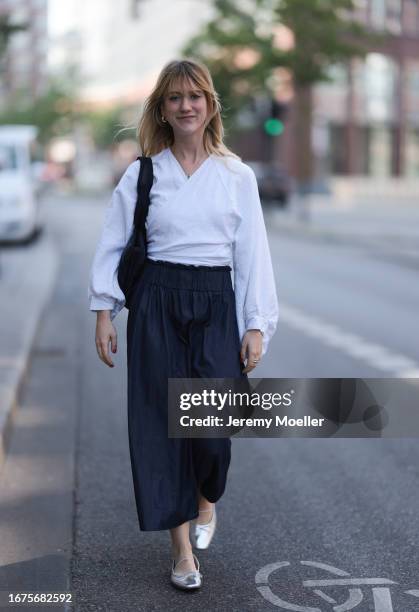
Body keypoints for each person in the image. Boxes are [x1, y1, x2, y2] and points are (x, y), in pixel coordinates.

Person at [88, 58, 279, 590]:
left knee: (213, 432)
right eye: (174, 98)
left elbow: (253, 253)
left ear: (210, 104)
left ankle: (205, 501)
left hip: (216, 302)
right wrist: (105, 309)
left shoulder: (237, 176)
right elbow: (113, 242)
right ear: (163, 110)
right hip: (156, 303)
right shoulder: (143, 173)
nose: (186, 105)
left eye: (195, 95)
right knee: (160, 428)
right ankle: (181, 554)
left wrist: (256, 323)